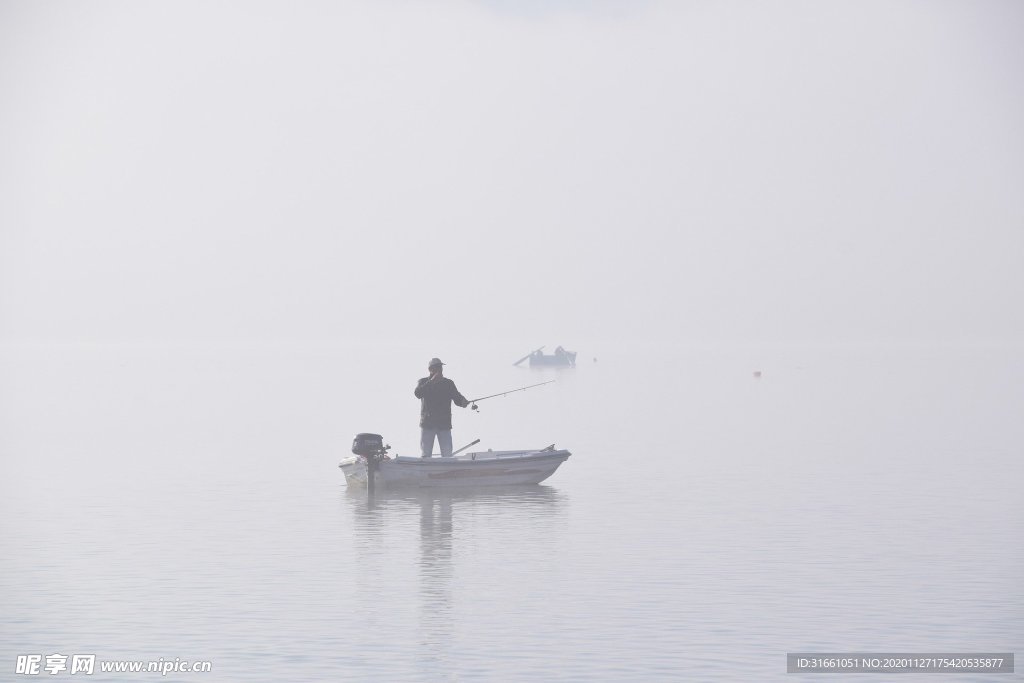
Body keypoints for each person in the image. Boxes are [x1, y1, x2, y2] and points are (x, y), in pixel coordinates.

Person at [414, 358, 470, 458]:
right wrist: (431, 382)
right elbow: (418, 393)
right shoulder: (423, 382)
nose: (440, 369)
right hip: (428, 424)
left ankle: (446, 471)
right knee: (426, 454)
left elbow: (457, 398)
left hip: (444, 424)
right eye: (437, 367)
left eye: (441, 367)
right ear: (430, 369)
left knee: (447, 454)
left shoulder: (448, 383)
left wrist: (463, 402)